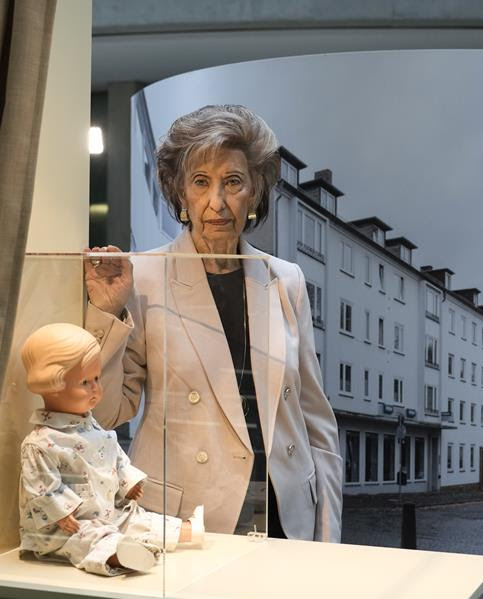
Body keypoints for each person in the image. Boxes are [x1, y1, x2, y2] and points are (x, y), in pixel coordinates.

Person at [84, 104, 342, 542]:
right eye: (201, 182)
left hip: (284, 512)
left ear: (255, 192)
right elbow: (109, 413)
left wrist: (329, 532)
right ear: (180, 193)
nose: (217, 202)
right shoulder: (142, 275)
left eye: (233, 182)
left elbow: (315, 419)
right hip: (187, 518)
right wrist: (105, 313)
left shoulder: (287, 280)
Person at [18, 322, 204, 576]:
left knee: (136, 519)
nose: (96, 388)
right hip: (67, 528)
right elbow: (41, 488)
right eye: (85, 381)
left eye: (96, 378)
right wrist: (61, 513)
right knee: (90, 539)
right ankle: (122, 557)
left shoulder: (91, 426)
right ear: (53, 383)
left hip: (108, 513)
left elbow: (114, 453)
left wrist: (128, 481)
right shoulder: (41, 442)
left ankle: (189, 530)